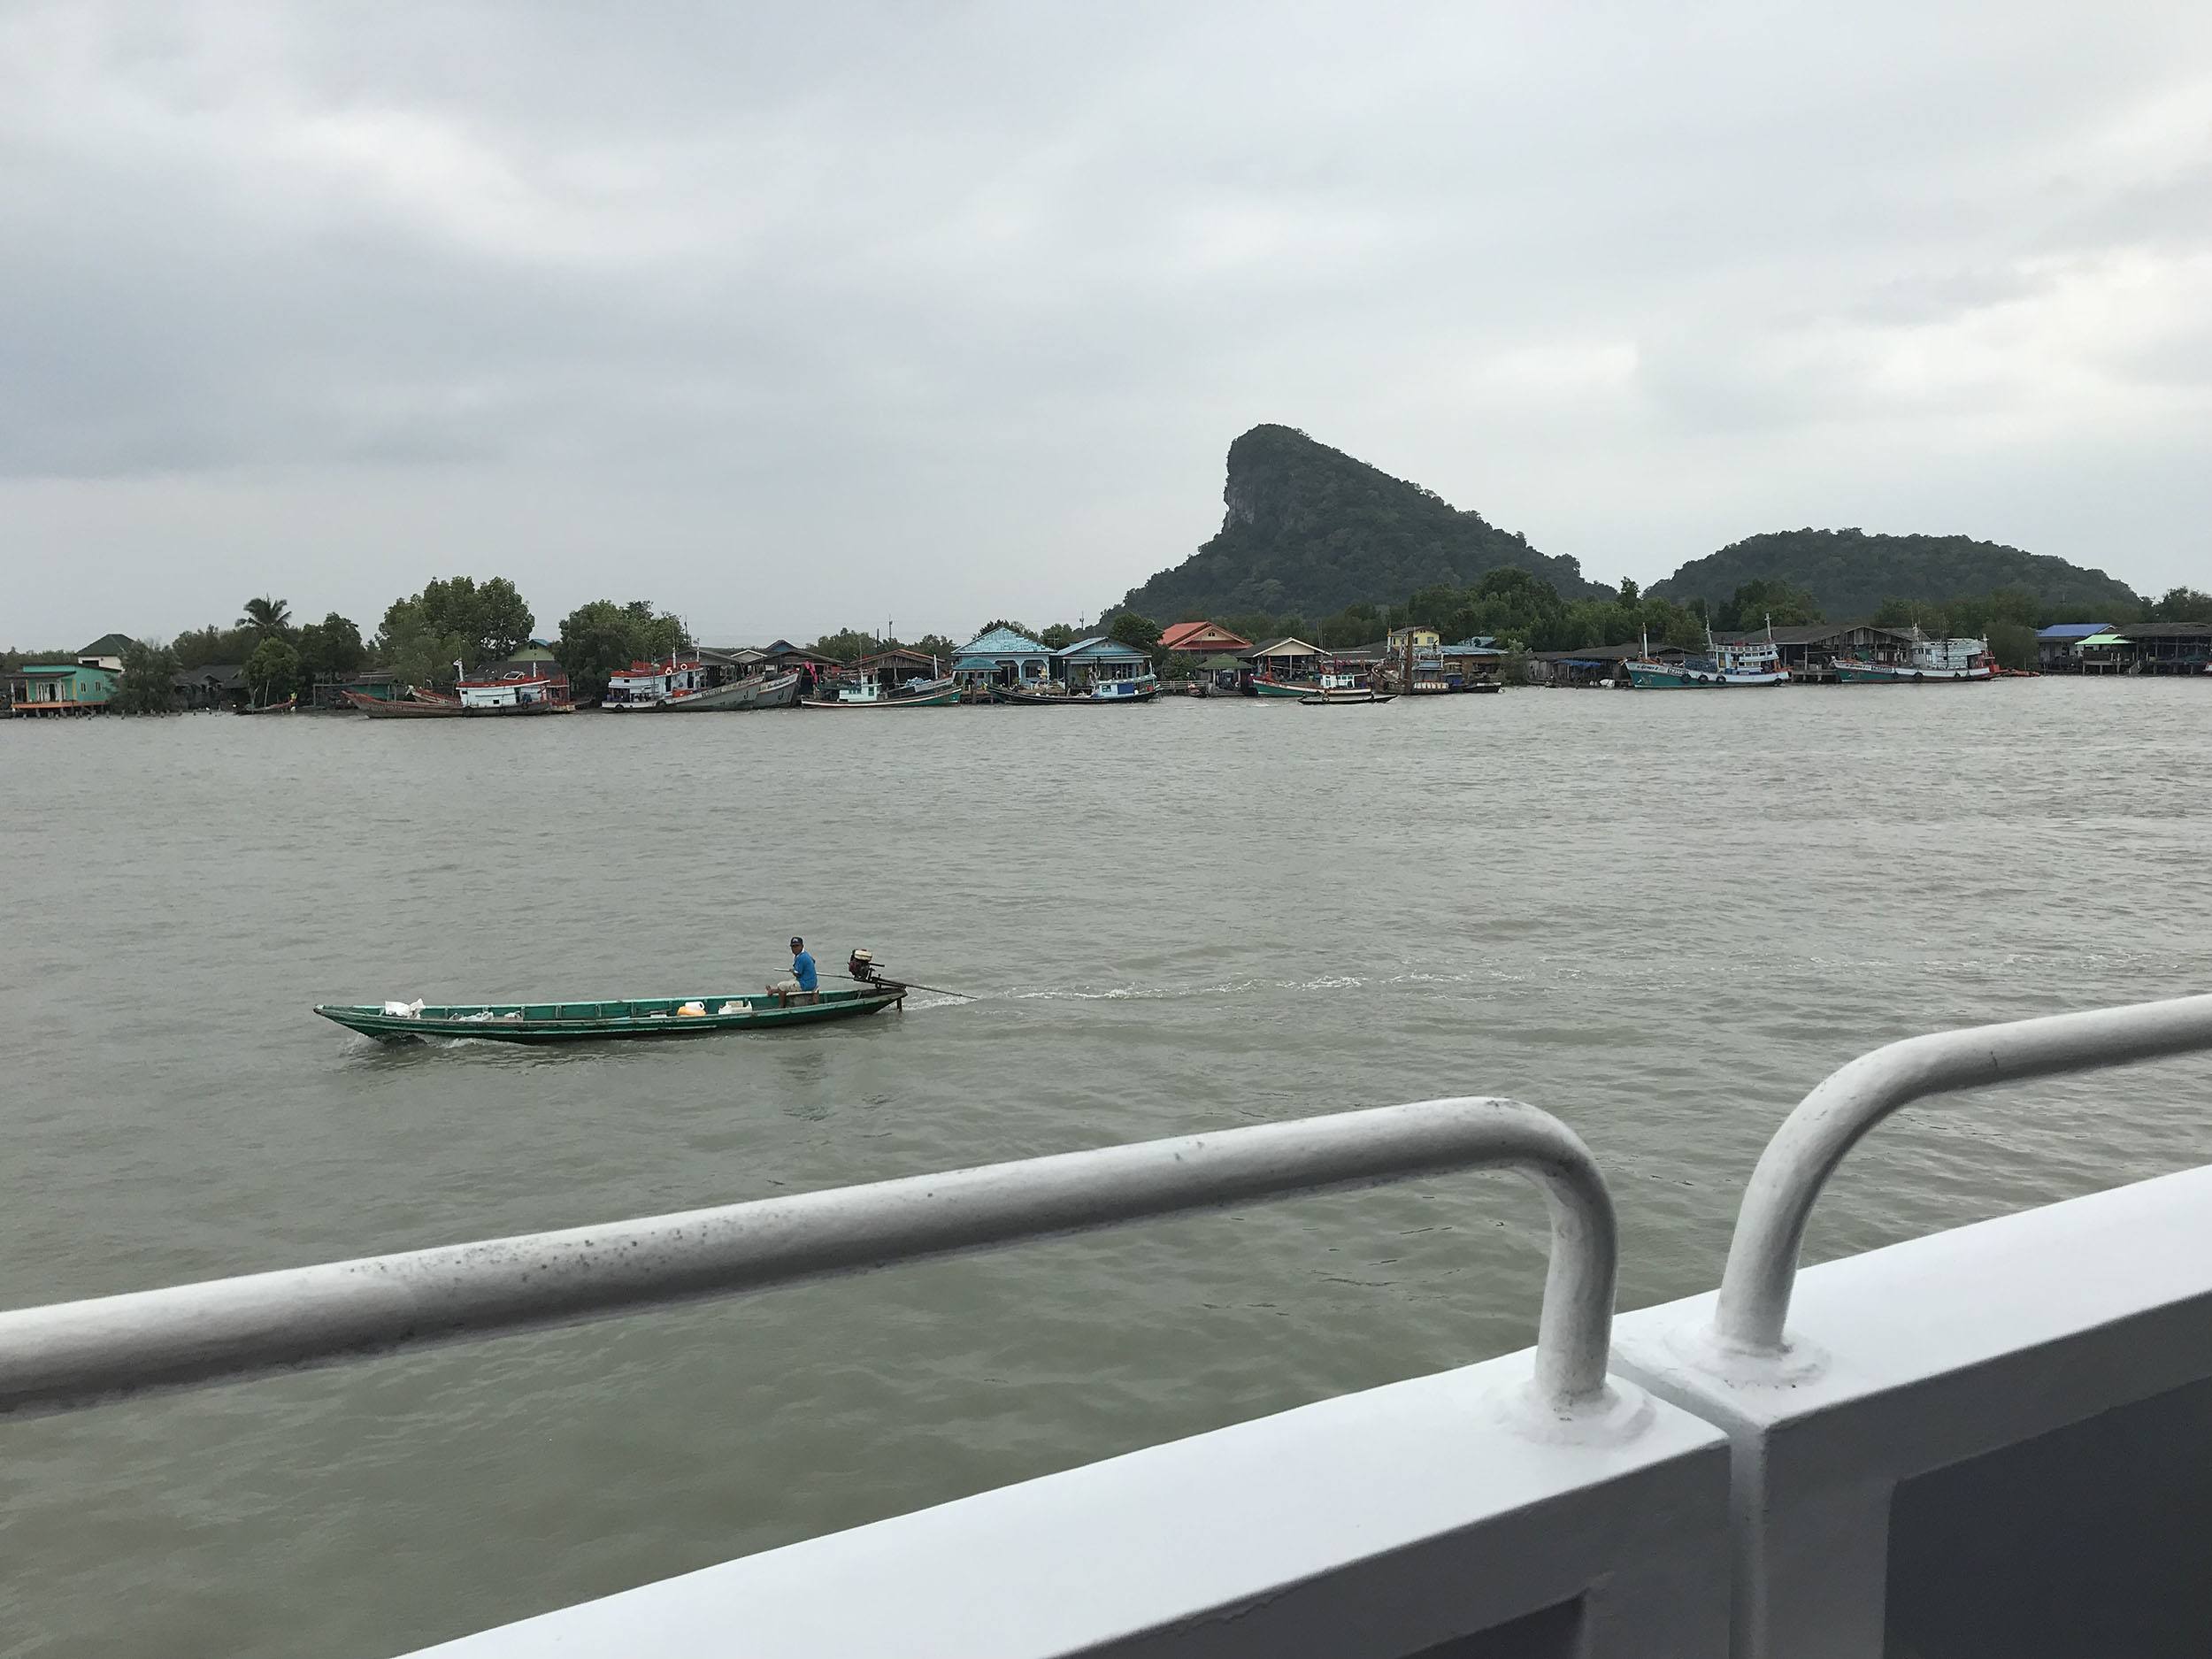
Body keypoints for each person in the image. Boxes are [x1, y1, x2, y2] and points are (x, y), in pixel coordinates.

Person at [768, 936, 818, 1000]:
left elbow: (797, 974)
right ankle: (773, 991)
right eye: (793, 946)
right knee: (789, 982)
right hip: (811, 982)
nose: (795, 948)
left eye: (797, 946)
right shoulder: (805, 954)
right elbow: (813, 961)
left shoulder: (801, 958)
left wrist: (793, 971)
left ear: (802, 946)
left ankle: (781, 1007)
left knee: (781, 985)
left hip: (805, 984)